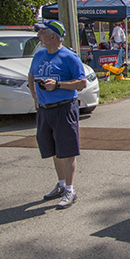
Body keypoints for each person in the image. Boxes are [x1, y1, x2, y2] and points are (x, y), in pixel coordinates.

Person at [28, 20, 88, 209]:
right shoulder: (39, 55)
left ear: (52, 36)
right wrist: (36, 98)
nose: (39, 36)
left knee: (67, 150)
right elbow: (31, 76)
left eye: (42, 32)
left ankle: (70, 189)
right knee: (53, 150)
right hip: (45, 110)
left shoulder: (69, 57)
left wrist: (58, 85)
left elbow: (82, 83)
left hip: (64, 108)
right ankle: (61, 184)